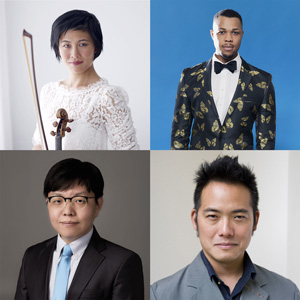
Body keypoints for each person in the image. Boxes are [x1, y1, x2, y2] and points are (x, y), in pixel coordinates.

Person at [151, 156, 299, 300]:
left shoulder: (288, 292)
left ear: (255, 221)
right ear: (195, 219)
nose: (225, 231)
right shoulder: (160, 294)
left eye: (238, 217)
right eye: (213, 216)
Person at [15, 158, 144, 300]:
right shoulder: (32, 256)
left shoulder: (122, 262)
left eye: (79, 200)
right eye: (57, 201)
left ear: (98, 205)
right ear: (48, 204)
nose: (67, 211)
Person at [32, 10, 139, 150]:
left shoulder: (108, 97)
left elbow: (129, 152)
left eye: (82, 44)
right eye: (66, 45)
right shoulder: (48, 91)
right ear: (57, 48)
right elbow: (39, 145)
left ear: (95, 46)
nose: (74, 54)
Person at [171, 9, 276, 150]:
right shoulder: (189, 77)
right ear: (212, 34)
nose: (228, 38)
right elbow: (179, 137)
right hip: (198, 167)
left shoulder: (262, 82)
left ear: (242, 35)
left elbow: (266, 143)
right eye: (222, 32)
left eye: (235, 32)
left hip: (240, 167)